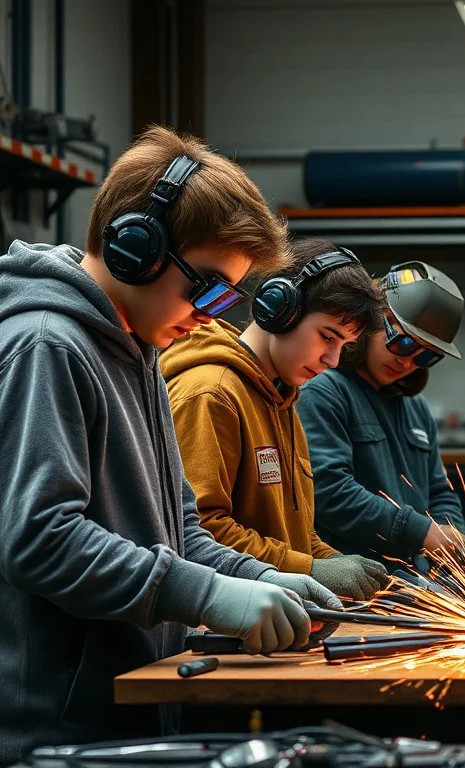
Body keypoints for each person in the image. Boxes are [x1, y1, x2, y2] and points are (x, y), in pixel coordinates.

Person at [0, 126, 344, 762]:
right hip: (56, 732)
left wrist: (264, 578)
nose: (214, 312)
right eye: (207, 287)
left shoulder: (142, 351)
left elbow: (181, 533)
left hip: (128, 712)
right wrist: (211, 597)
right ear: (137, 248)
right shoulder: (48, 345)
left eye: (228, 296)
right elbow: (40, 540)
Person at [162, 237, 391, 601]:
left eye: (344, 346)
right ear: (279, 308)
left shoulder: (283, 400)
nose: (333, 360)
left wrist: (355, 574)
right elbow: (198, 532)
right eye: (327, 337)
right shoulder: (212, 393)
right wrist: (309, 570)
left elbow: (296, 534)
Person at [297, 261, 465, 571]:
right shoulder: (324, 391)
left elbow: (438, 491)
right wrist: (420, 532)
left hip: (410, 581)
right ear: (370, 321)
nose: (408, 362)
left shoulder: (416, 409)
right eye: (403, 342)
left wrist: (454, 539)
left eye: (426, 355)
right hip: (354, 578)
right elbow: (328, 492)